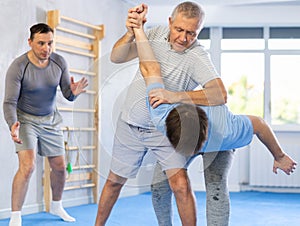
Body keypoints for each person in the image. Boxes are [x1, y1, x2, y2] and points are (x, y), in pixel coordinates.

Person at [95, 2, 232, 226]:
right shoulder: (155, 33)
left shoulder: (198, 56)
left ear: (199, 31)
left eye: (191, 33)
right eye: (179, 29)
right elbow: (117, 57)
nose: (183, 38)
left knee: (180, 185)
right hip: (130, 124)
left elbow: (220, 94)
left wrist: (175, 96)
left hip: (164, 131)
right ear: (170, 22)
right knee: (114, 182)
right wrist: (131, 32)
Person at [133, 18, 296, 175]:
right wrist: (138, 29)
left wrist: (279, 156)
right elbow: (150, 67)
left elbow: (260, 124)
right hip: (186, 131)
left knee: (216, 186)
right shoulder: (161, 114)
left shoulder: (227, 130)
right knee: (160, 184)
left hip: (220, 144)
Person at [3, 23, 88, 226]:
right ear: (30, 42)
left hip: (51, 120)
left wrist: (73, 93)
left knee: (59, 167)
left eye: (50, 43)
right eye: (41, 43)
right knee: (28, 166)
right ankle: (16, 216)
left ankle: (57, 205)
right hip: (26, 120)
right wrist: (12, 123)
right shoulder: (19, 66)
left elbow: (68, 94)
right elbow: (9, 102)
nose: (46, 48)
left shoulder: (59, 62)